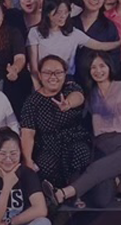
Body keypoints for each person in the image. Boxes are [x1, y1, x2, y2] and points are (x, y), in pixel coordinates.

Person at [64, 53, 121, 207]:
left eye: (102, 66)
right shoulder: (90, 93)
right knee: (101, 201)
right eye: (93, 67)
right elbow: (78, 100)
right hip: (102, 145)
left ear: (110, 67)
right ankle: (117, 177)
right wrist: (69, 104)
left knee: (96, 168)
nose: (98, 71)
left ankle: (63, 194)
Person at [20, 55, 92, 194]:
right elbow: (28, 133)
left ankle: (75, 194)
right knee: (45, 164)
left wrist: (68, 103)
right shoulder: (32, 102)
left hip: (74, 139)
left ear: (65, 74)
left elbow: (79, 97)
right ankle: (54, 194)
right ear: (40, 75)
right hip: (47, 145)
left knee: (79, 153)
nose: (53, 77)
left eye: (58, 72)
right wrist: (27, 159)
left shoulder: (70, 88)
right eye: (47, 72)